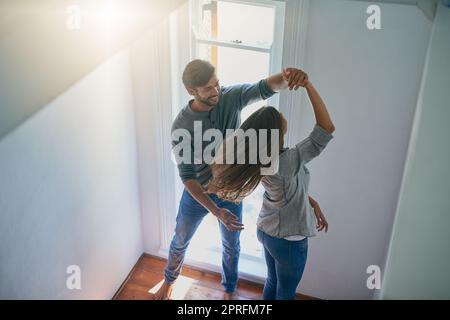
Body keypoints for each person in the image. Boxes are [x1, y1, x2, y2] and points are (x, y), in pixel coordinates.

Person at [153, 59, 309, 300]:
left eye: (217, 84)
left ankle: (229, 289)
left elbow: (265, 87)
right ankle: (169, 281)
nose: (216, 91)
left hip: (232, 193)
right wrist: (215, 210)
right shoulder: (181, 126)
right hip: (198, 195)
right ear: (191, 91)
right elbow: (187, 177)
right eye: (207, 88)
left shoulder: (230, 97)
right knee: (180, 239)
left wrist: (289, 77)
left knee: (232, 245)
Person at [208, 71, 335, 300]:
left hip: (267, 231)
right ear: (275, 132)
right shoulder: (289, 160)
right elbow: (326, 129)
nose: (282, 116)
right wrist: (308, 85)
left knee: (273, 282)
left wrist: (312, 203)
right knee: (285, 293)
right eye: (278, 116)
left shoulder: (260, 158)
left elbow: (288, 191)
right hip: (289, 240)